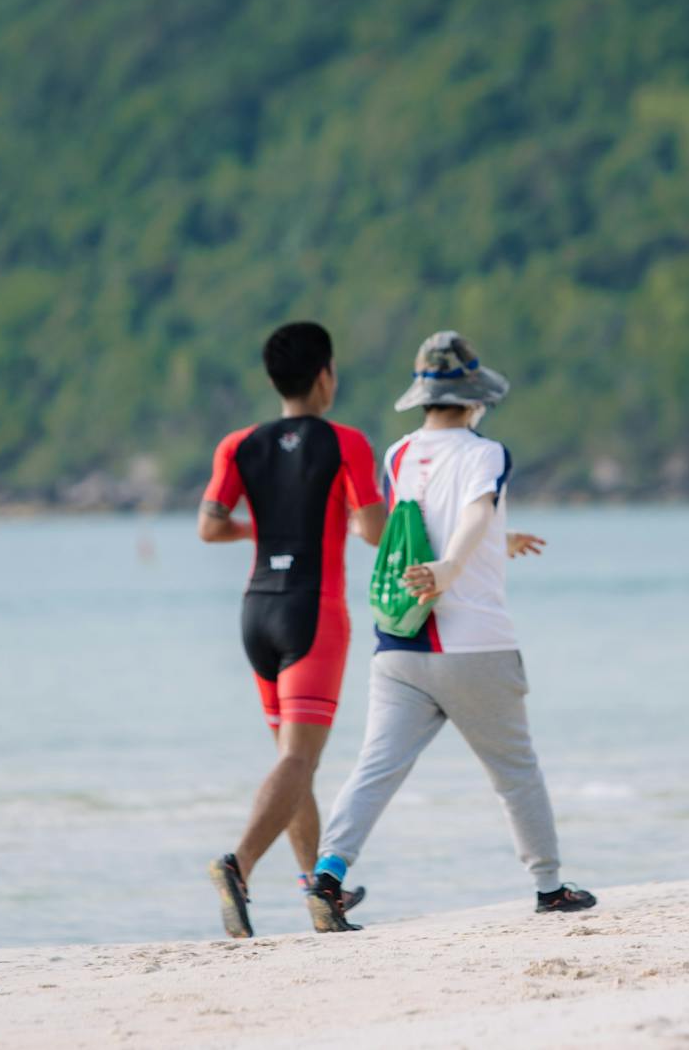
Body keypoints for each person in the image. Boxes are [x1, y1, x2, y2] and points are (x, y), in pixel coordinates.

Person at [305, 331, 597, 931]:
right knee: (515, 772)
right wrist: (452, 568)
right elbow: (471, 514)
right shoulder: (484, 453)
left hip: (399, 647)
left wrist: (493, 543)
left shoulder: (397, 454)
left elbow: (425, 521)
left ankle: (328, 876)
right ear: (474, 397)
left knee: (375, 767)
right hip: (474, 646)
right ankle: (548, 888)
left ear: (424, 398)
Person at [198, 321, 387, 938]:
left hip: (257, 612)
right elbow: (373, 530)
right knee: (300, 760)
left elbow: (210, 525)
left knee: (292, 760)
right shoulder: (346, 443)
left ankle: (318, 897)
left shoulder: (238, 445)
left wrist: (267, 530)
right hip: (314, 611)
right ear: (325, 375)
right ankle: (239, 864)